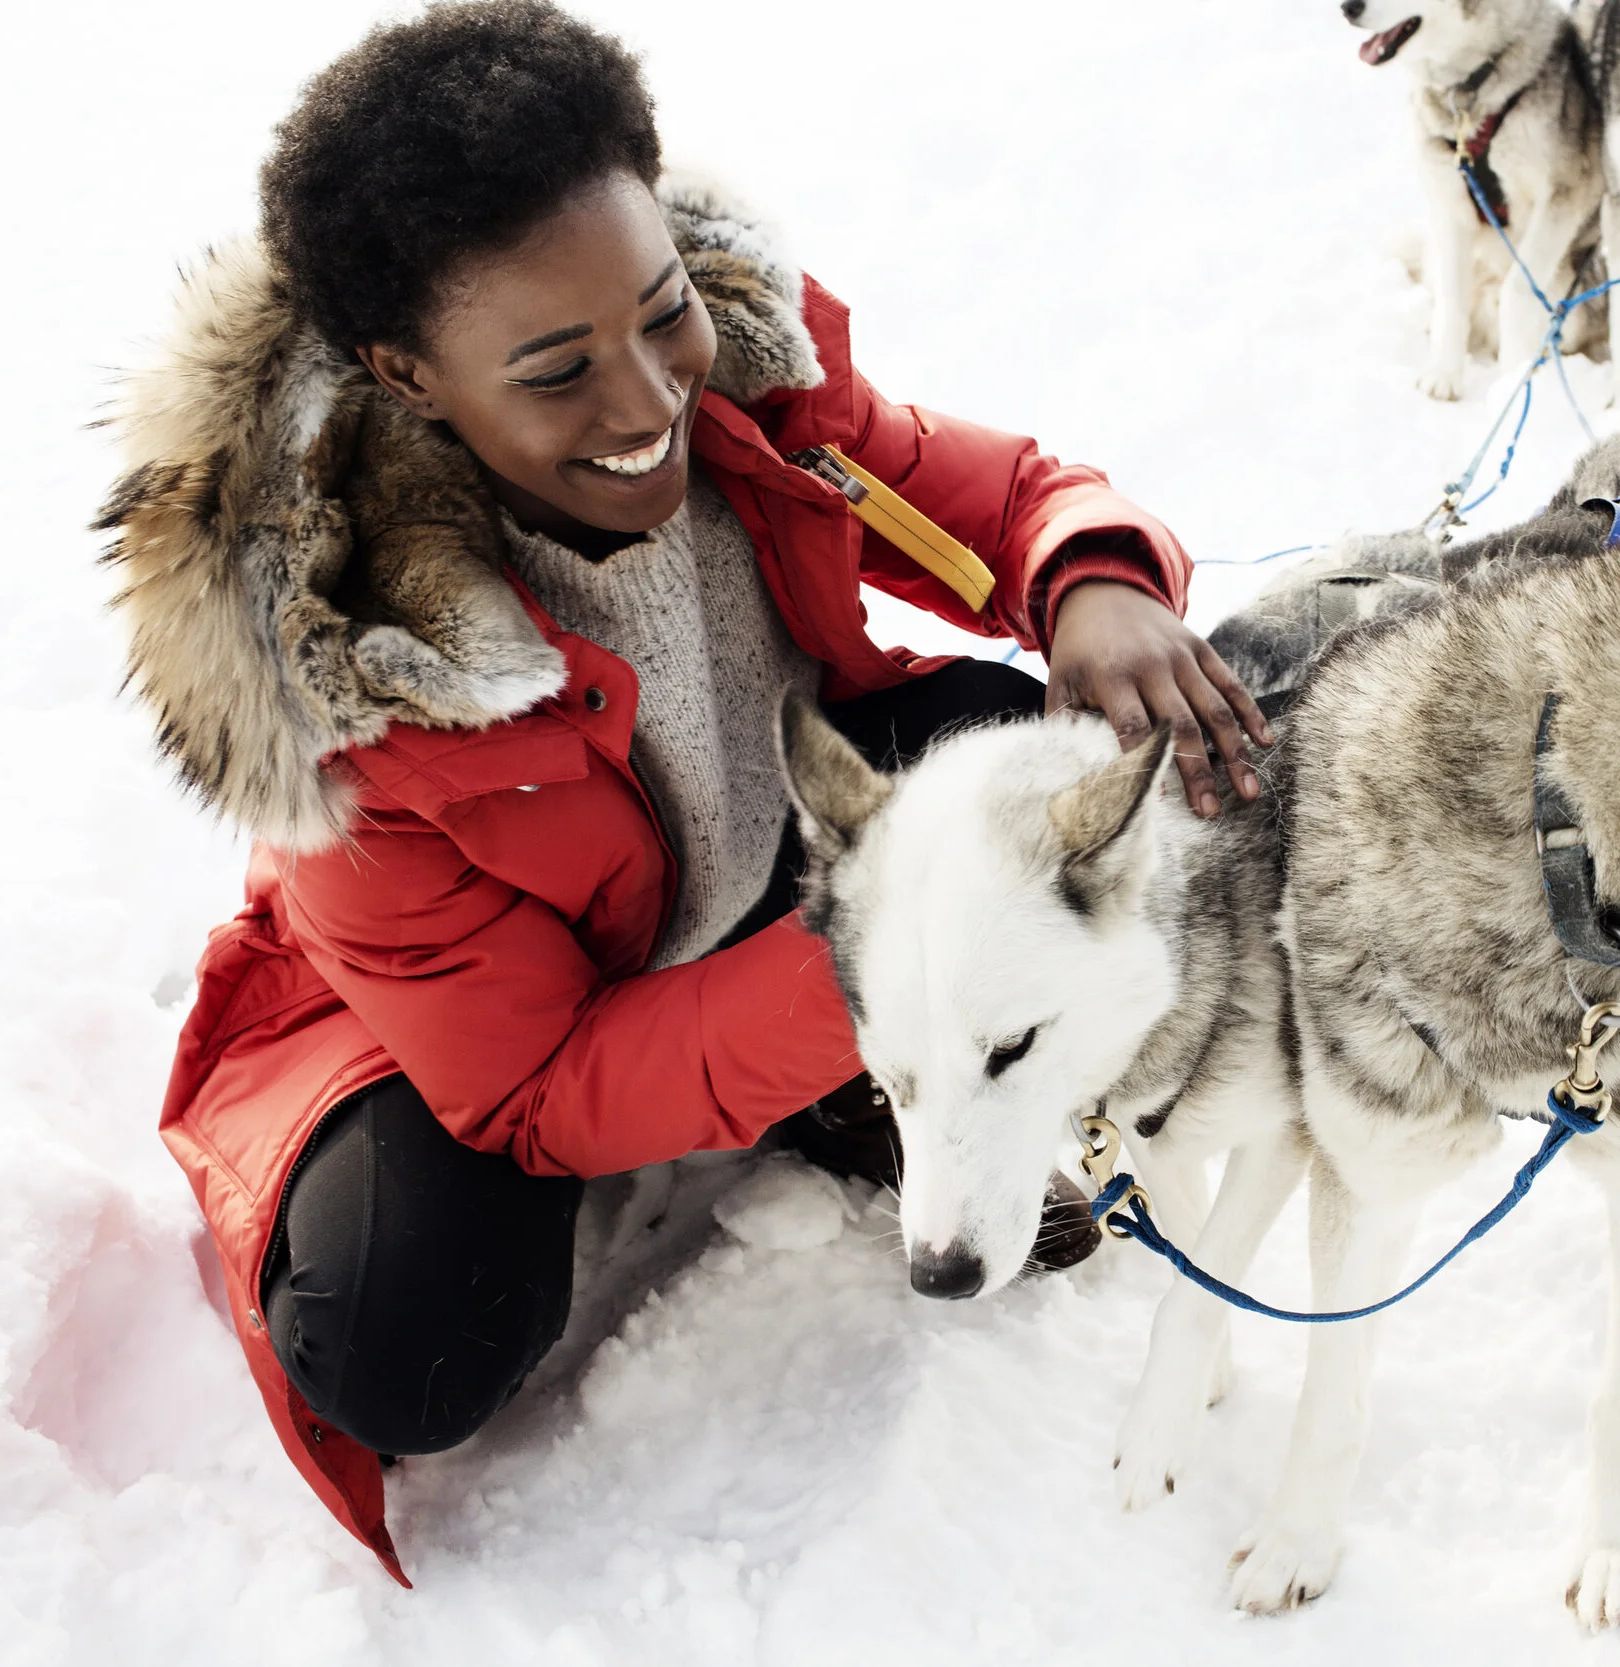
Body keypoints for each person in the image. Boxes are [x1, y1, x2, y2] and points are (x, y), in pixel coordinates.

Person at [96, 0, 1267, 1583]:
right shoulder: (357, 698)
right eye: (558, 368)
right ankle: (846, 1056)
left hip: (759, 863)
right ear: (410, 373)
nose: (648, 397)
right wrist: (886, 967)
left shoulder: (753, 395)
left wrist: (1089, 577)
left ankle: (854, 1069)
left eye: (660, 312)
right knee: (409, 1341)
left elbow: (1000, 494)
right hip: (471, 1025)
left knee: (1015, 730)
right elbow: (534, 1086)